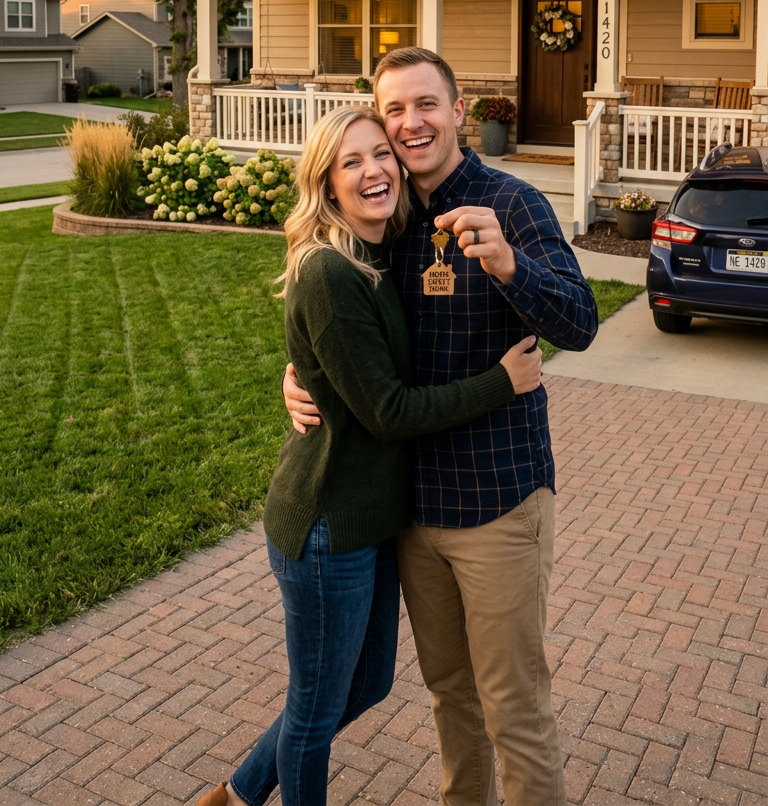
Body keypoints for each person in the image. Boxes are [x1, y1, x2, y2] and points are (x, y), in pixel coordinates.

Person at [195, 104, 543, 806]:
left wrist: (300, 371)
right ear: (325, 184)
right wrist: (503, 382)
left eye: (379, 153)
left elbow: (345, 362)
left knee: (366, 685)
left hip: (374, 519)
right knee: (317, 710)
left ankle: (235, 793)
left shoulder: (384, 247)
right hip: (327, 524)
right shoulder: (329, 270)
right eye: (350, 162)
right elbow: (386, 411)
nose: (374, 170)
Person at [284, 47, 598, 806]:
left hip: (497, 501)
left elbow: (582, 323)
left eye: (426, 104)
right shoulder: (386, 216)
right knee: (449, 697)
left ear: (459, 112)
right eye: (395, 110)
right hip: (415, 510)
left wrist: (509, 267)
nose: (410, 123)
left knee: (514, 708)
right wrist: (298, 375)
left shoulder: (512, 203)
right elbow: (337, 318)